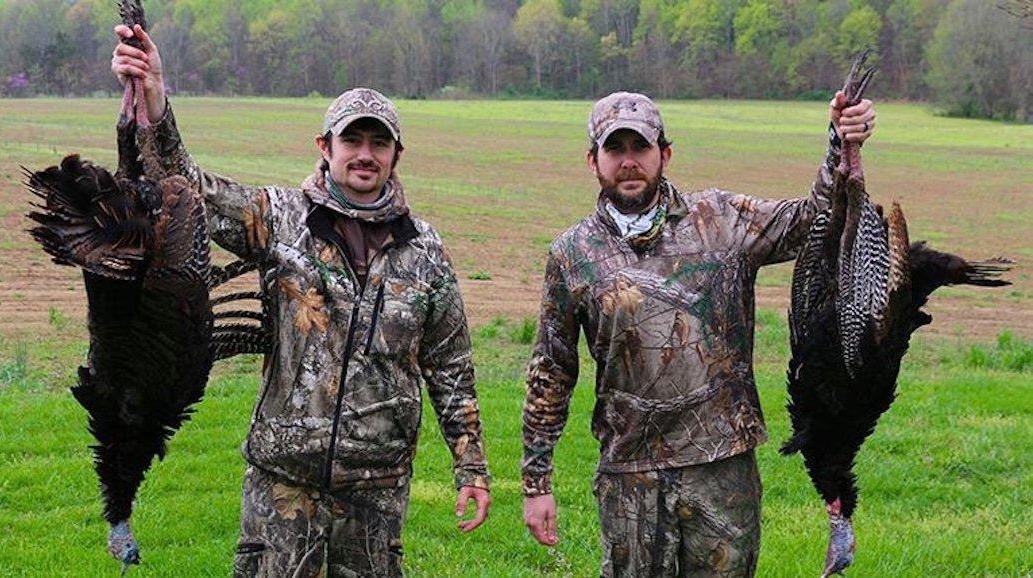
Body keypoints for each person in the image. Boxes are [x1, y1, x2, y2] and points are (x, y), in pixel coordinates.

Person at [111, 24, 491, 577]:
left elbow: (451, 369)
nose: (365, 155)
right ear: (325, 146)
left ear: (396, 154)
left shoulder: (425, 251)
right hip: (284, 484)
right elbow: (186, 188)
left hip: (376, 493)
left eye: (378, 142)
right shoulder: (281, 219)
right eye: (352, 141)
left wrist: (471, 467)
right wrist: (155, 97)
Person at [521, 91, 875, 577]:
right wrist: (536, 481)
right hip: (630, 473)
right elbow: (551, 369)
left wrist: (840, 143)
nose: (628, 162)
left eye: (640, 147)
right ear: (593, 161)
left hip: (722, 468)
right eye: (614, 149)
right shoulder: (573, 252)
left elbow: (810, 222)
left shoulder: (720, 220)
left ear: (664, 154)